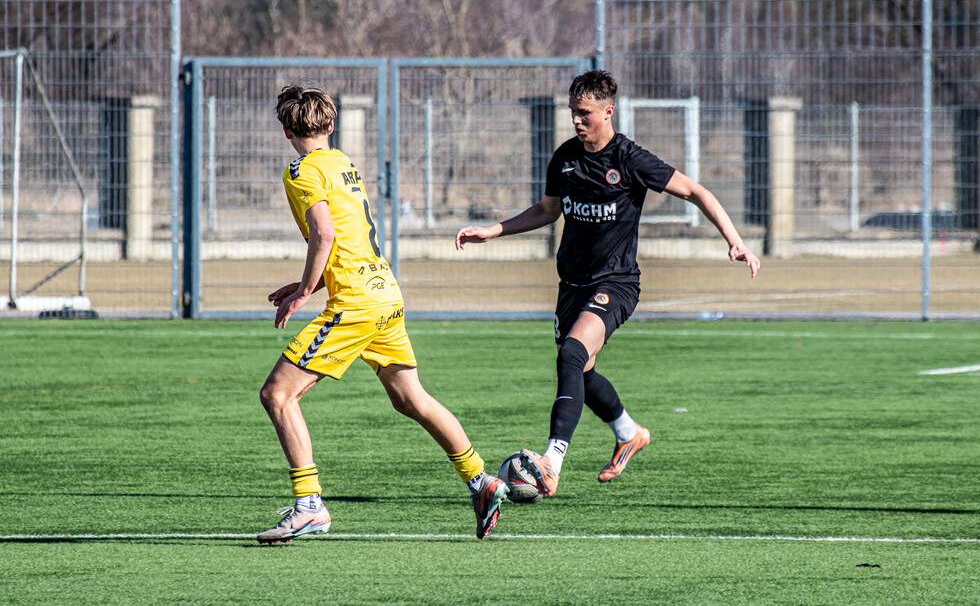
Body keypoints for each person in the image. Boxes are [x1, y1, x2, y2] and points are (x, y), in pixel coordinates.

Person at [455, 69, 760, 497]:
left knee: (572, 354)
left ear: (608, 111)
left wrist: (736, 242)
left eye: (585, 114)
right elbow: (547, 210)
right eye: (573, 113)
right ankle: (629, 432)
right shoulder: (564, 158)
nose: (577, 121)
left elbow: (696, 192)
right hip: (572, 284)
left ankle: (551, 462)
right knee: (582, 368)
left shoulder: (630, 159)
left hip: (616, 283)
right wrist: (495, 230)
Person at [257, 85, 507, 543]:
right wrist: (308, 281)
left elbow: (325, 234)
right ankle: (481, 480)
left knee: (277, 395)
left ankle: (309, 505)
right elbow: (344, 235)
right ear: (331, 126)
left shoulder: (300, 170)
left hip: (353, 301)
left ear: (287, 129)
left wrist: (305, 292)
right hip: (385, 293)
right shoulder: (343, 163)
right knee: (410, 399)